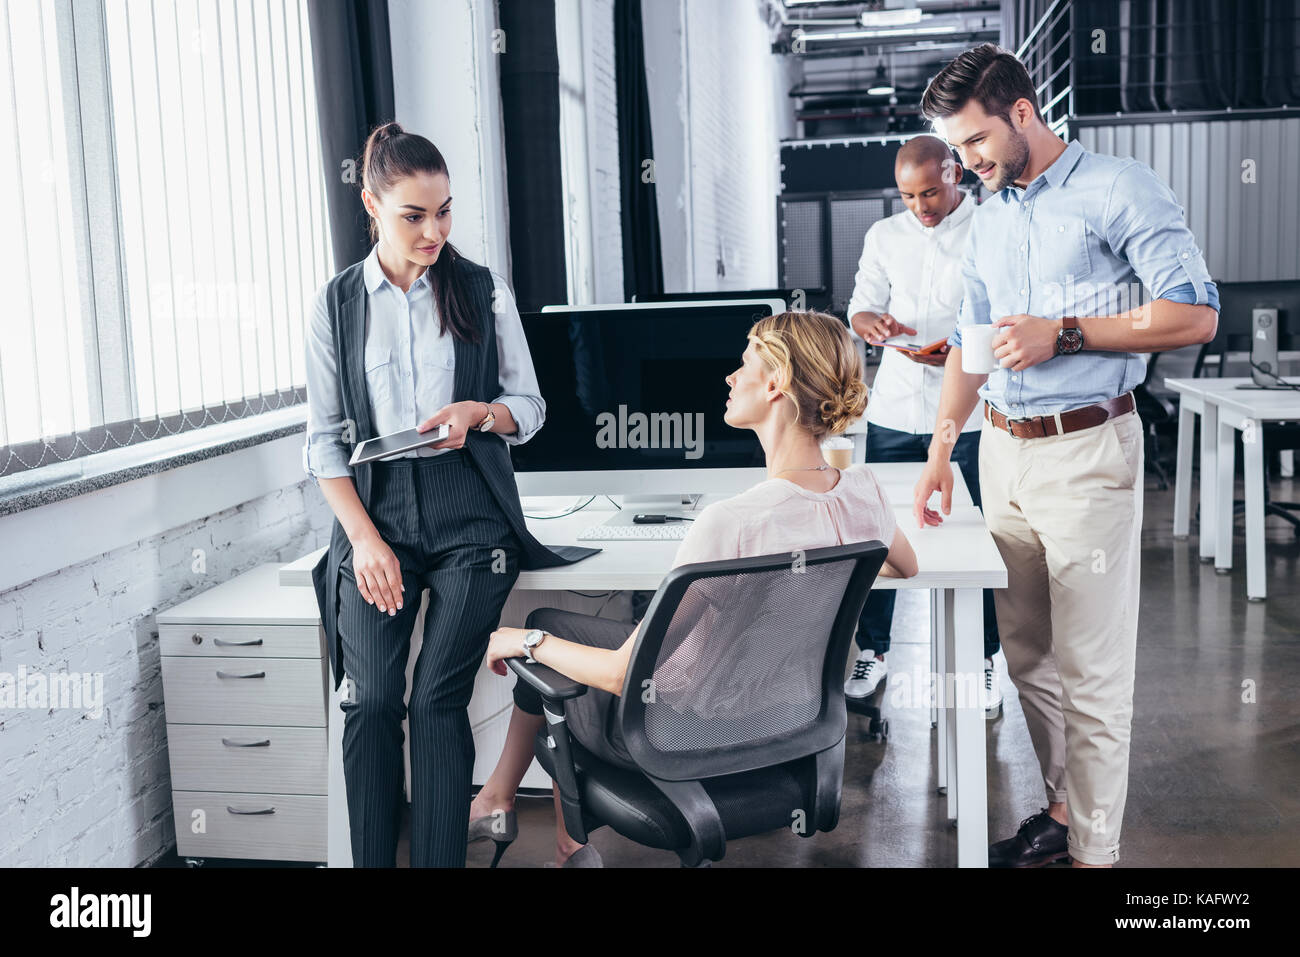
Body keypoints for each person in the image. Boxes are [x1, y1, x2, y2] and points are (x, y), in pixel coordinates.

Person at [912, 44, 1219, 867]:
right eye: (955, 148)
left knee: (1091, 670)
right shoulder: (989, 216)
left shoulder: (1118, 189)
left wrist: (1068, 334)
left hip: (1087, 447)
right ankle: (1061, 809)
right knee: (1031, 658)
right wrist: (944, 449)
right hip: (1001, 457)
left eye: (975, 143)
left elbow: (1193, 315)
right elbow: (972, 347)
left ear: (1022, 113)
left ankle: (1096, 852)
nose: (965, 164)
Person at [470, 310, 919, 866]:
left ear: (776, 383)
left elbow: (617, 675)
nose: (730, 378)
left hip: (681, 734)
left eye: (744, 364)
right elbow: (904, 565)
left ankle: (557, 837)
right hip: (785, 729)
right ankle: (517, 807)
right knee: (553, 622)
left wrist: (518, 641)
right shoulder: (864, 492)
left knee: (539, 640)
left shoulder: (732, 521)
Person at [304, 122, 597, 867]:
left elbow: (527, 409)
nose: (434, 230)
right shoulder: (336, 305)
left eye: (445, 211)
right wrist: (364, 540)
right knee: (370, 701)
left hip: (471, 512)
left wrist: (481, 415)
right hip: (376, 515)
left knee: (437, 697)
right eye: (414, 215)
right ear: (370, 204)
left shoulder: (479, 288)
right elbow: (323, 442)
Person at [845, 133, 1002, 716]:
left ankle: (983, 660)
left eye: (930, 192)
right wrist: (872, 324)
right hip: (894, 405)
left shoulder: (992, 228)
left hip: (972, 413)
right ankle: (874, 650)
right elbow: (861, 305)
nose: (921, 206)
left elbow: (1006, 315)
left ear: (955, 173)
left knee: (976, 540)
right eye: (908, 196)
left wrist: (960, 353)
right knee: (880, 533)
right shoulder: (884, 235)